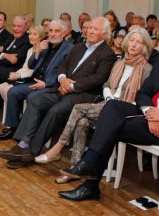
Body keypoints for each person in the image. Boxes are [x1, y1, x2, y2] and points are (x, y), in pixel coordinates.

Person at [35, 28, 152, 183]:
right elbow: (107, 84)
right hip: (108, 103)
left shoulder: (147, 69)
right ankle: (75, 168)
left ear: (144, 47)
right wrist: (109, 97)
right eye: (132, 40)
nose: (134, 44)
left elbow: (143, 96)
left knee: (78, 108)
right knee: (82, 122)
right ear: (126, 42)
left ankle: (59, 147)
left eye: (139, 42)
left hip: (125, 109)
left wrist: (116, 103)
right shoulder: (119, 63)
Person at [0, 17, 116, 169]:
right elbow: (63, 66)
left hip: (83, 94)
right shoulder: (78, 47)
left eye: (95, 29)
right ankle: (23, 144)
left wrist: (71, 86)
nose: (90, 31)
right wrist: (62, 79)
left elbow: (98, 79)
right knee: (36, 101)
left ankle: (31, 151)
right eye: (90, 28)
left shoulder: (107, 53)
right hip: (62, 87)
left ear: (104, 33)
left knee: (55, 110)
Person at [58, 62, 159, 201]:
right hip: (150, 113)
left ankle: (90, 178)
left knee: (111, 127)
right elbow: (143, 92)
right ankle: (90, 166)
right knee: (112, 107)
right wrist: (149, 112)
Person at [0, 20, 73, 140]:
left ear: (64, 33)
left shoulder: (69, 49)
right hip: (35, 80)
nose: (53, 34)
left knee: (33, 97)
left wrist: (46, 84)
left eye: (57, 31)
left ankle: (28, 133)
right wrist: (37, 51)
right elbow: (31, 65)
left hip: (51, 85)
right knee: (13, 92)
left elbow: (65, 72)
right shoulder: (46, 45)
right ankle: (13, 127)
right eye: (51, 31)